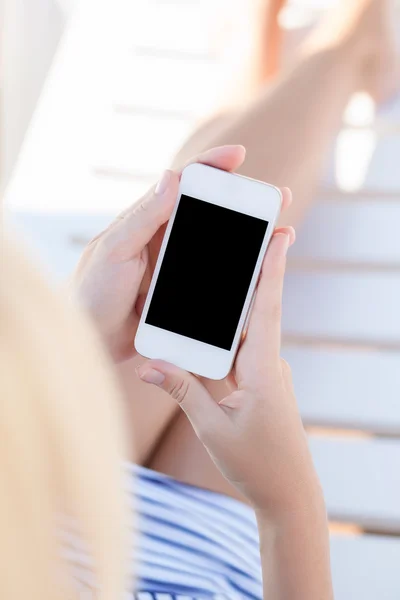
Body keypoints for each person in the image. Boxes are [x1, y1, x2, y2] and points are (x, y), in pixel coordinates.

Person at [74, 144, 332, 598]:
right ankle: (344, 68)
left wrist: (74, 338)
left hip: (47, 498)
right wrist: (289, 508)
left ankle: (340, 69)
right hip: (204, 564)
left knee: (204, 204)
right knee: (224, 207)